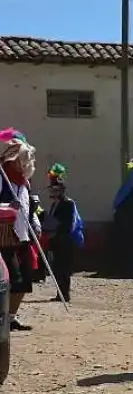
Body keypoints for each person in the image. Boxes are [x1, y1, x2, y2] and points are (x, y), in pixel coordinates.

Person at [0, 129, 40, 332]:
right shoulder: (1, 178)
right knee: (11, 280)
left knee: (25, 281)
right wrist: (7, 207)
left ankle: (12, 317)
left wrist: (34, 222)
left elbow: (27, 208)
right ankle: (3, 318)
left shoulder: (24, 184)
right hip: (4, 238)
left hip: (23, 236)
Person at [44, 164, 82, 303]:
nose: (52, 192)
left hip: (65, 240)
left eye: (55, 189)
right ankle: (59, 292)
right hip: (56, 240)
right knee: (57, 268)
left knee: (64, 268)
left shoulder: (68, 203)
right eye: (51, 189)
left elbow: (68, 223)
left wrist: (56, 228)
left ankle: (65, 294)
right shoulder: (55, 204)